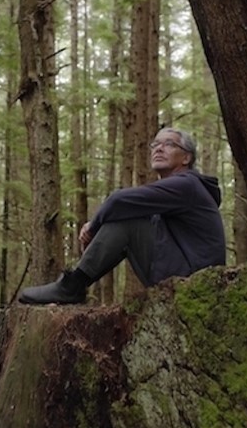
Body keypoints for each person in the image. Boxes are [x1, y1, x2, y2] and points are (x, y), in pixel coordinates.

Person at [18, 127, 227, 304]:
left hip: (197, 285)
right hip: (186, 277)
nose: (159, 149)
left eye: (169, 144)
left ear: (186, 157)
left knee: (129, 220)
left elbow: (118, 200)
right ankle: (73, 286)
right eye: (155, 145)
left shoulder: (187, 184)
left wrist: (93, 226)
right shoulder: (177, 192)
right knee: (132, 216)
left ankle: (72, 286)